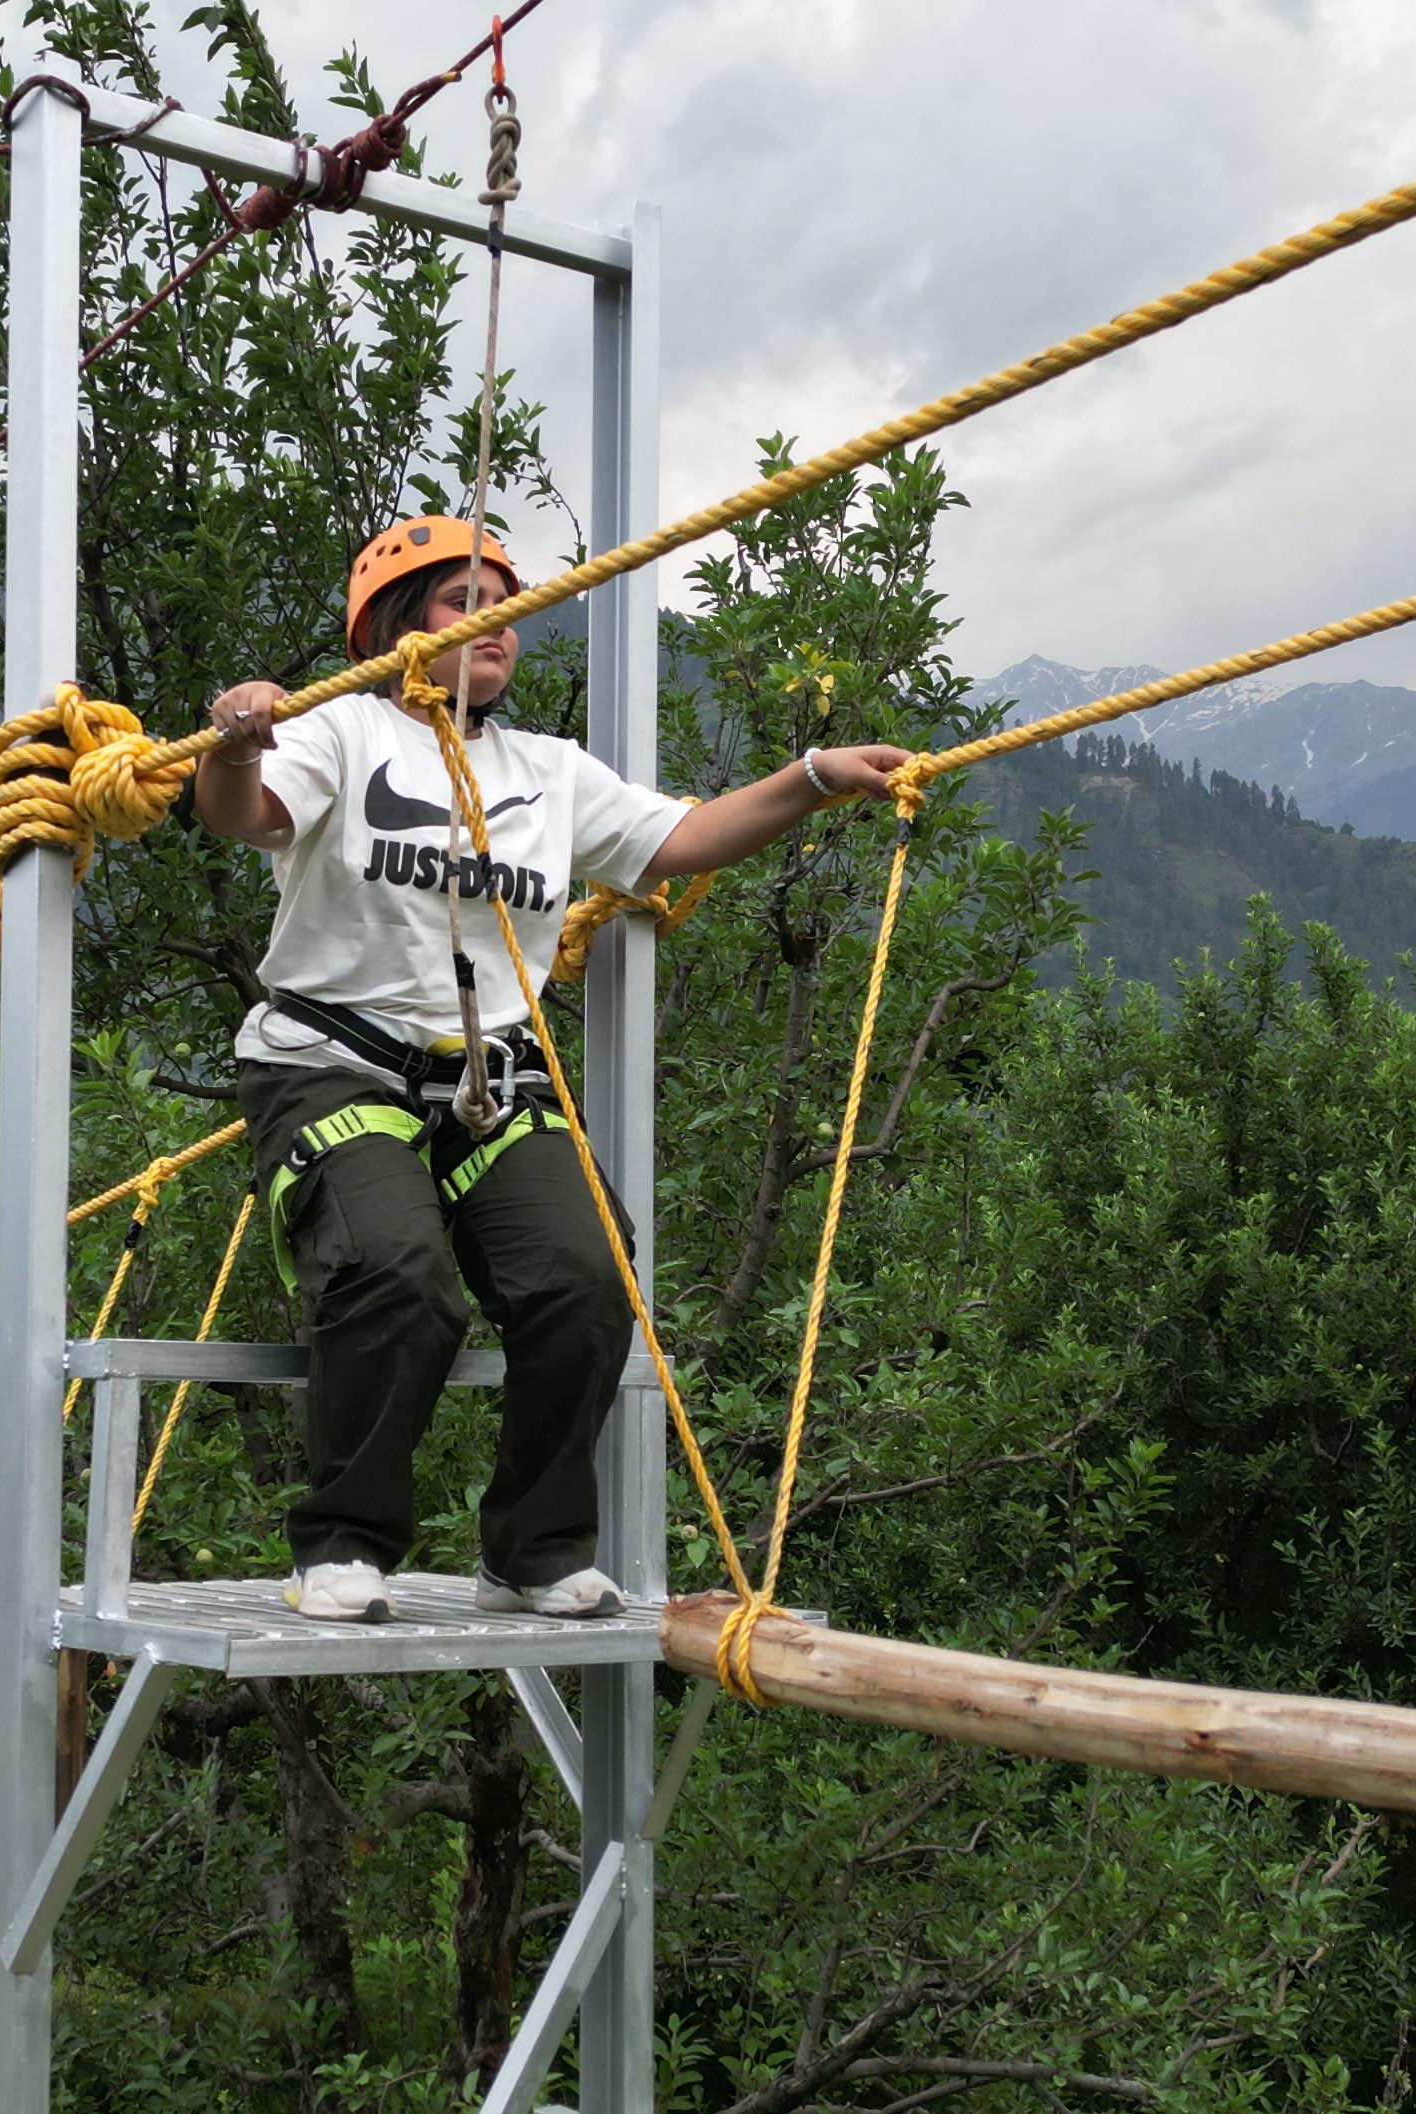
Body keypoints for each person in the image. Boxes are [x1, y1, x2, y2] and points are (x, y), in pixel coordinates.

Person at [192, 518, 911, 1622]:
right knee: (398, 1270)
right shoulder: (338, 729)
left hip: (487, 1083)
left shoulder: (546, 771)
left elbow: (682, 838)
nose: (496, 627)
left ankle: (531, 1547)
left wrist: (814, 777)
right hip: (334, 1063)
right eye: (459, 602)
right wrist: (235, 742)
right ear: (395, 626)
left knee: (586, 1274)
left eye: (507, 607)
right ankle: (341, 1543)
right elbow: (246, 815)